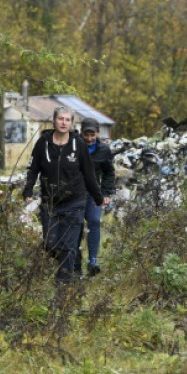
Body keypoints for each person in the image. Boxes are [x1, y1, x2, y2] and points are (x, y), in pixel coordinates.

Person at [23, 106, 106, 282]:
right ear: (54, 120)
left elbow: (89, 172)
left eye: (67, 120)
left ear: (71, 123)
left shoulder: (78, 144)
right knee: (50, 244)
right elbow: (33, 168)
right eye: (61, 119)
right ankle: (73, 261)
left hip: (74, 202)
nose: (64, 122)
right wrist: (28, 189)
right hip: (50, 202)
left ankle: (63, 288)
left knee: (68, 246)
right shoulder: (43, 143)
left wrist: (97, 196)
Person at [75, 117, 114, 276]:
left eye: (93, 135)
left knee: (95, 222)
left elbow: (109, 172)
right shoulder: (74, 146)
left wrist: (105, 192)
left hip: (93, 194)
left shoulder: (104, 150)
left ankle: (92, 260)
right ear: (82, 133)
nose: (90, 139)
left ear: (98, 133)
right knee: (76, 227)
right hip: (75, 194)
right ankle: (76, 264)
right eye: (86, 135)